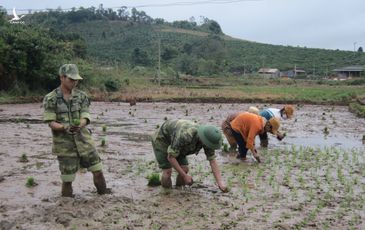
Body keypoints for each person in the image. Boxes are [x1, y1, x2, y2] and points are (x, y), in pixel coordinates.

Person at [43, 64, 111, 197]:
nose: (75, 83)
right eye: (71, 79)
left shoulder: (81, 96)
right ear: (62, 78)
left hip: (84, 141)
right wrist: (64, 127)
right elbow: (50, 122)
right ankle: (67, 204)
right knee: (67, 179)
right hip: (64, 145)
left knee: (98, 170)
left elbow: (85, 115)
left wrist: (80, 124)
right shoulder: (51, 98)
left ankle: (104, 196)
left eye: (76, 80)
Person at [151, 119, 228, 192]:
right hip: (163, 139)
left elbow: (213, 161)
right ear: (203, 139)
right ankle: (167, 193)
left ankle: (178, 190)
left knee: (184, 169)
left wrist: (220, 183)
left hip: (177, 143)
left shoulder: (208, 140)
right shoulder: (186, 135)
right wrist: (184, 176)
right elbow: (171, 157)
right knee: (167, 172)